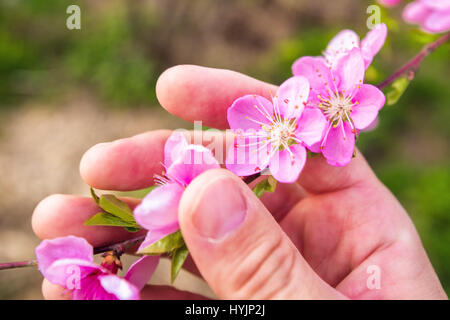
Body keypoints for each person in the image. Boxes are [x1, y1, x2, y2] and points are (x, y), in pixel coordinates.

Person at [32, 65, 447, 300]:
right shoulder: (260, 149)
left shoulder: (300, 134)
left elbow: (287, 157)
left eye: (287, 125)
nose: (280, 130)